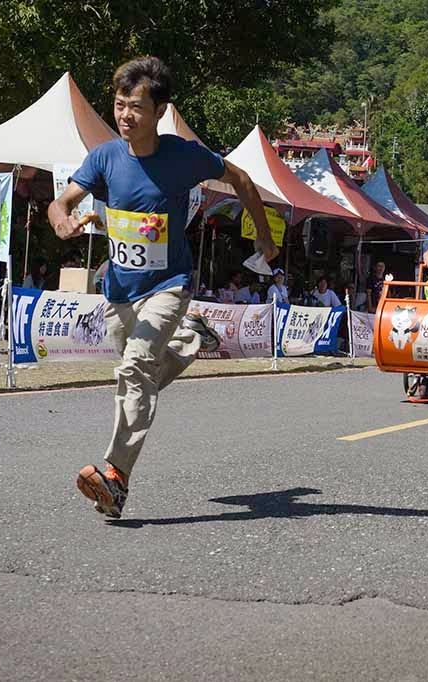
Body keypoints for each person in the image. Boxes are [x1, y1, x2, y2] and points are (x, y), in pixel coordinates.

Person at [49, 56, 277, 519]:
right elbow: (62, 201)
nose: (125, 115)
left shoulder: (182, 156)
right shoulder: (104, 157)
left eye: (136, 107)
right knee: (144, 374)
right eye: (118, 105)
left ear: (159, 111)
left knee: (134, 369)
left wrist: (265, 235)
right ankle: (192, 337)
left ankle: (116, 477)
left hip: (169, 285)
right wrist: (62, 222)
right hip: (118, 291)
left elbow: (242, 179)